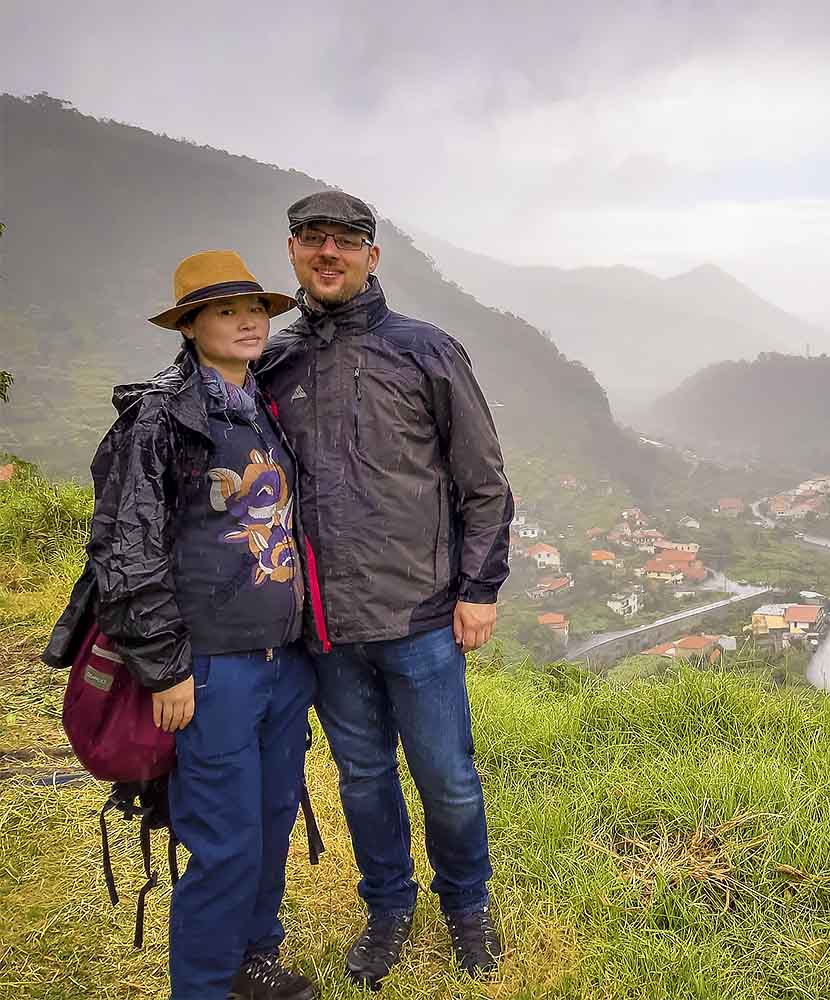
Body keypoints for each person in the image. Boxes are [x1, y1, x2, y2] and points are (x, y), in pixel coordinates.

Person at [256, 191, 514, 986]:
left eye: (345, 241)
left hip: (422, 616)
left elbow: (484, 482)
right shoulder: (274, 361)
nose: (328, 252)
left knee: (448, 780)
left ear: (372, 256)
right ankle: (388, 908)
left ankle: (467, 906)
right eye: (312, 238)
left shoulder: (425, 350)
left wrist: (479, 588)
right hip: (325, 627)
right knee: (364, 780)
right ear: (293, 251)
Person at [49, 251, 319, 999]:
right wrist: (165, 668)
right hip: (211, 666)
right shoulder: (163, 416)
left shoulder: (262, 405)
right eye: (226, 310)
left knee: (271, 819)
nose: (248, 321)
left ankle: (252, 959)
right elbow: (125, 549)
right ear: (191, 326)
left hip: (281, 659)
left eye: (255, 308)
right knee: (225, 839)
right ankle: (201, 985)